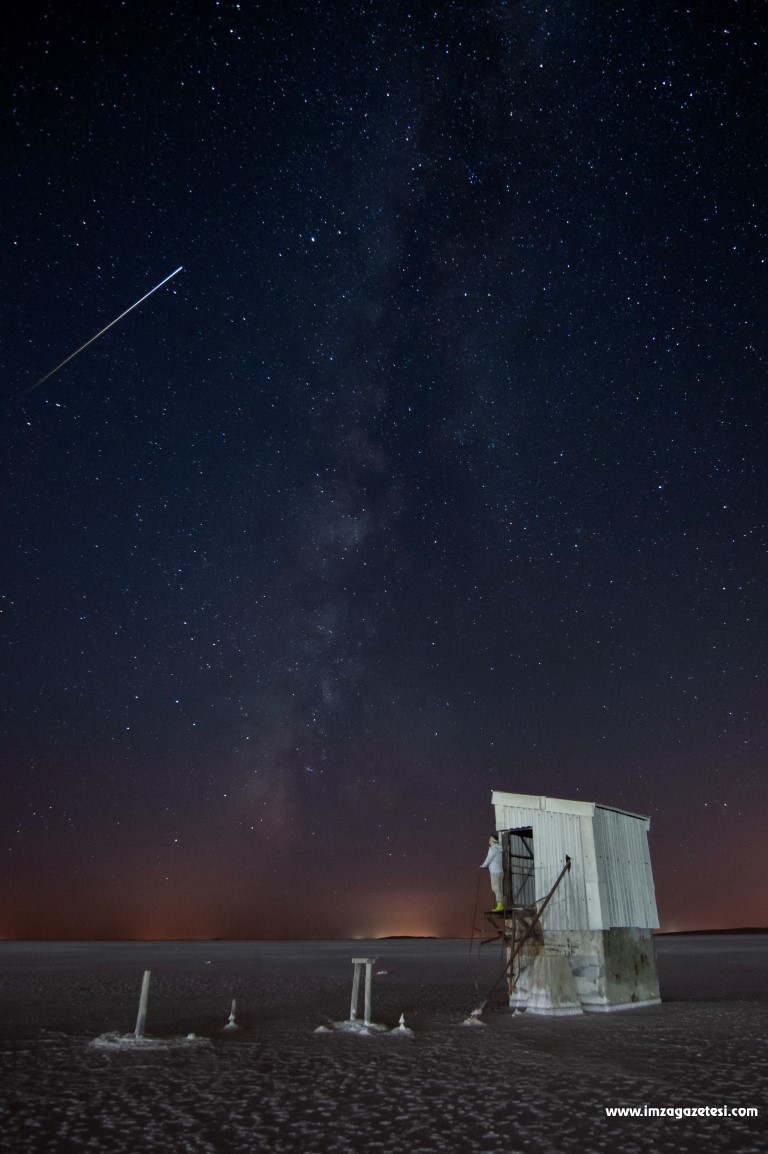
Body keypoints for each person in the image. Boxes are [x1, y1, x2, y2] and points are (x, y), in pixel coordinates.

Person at [481, 834, 504, 912]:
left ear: (493, 841)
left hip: (495, 872)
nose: (489, 840)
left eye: (490, 839)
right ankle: (501, 904)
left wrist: (483, 866)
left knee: (495, 888)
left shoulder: (493, 849)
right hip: (500, 871)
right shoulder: (499, 848)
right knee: (499, 889)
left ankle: (500, 905)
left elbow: (488, 859)